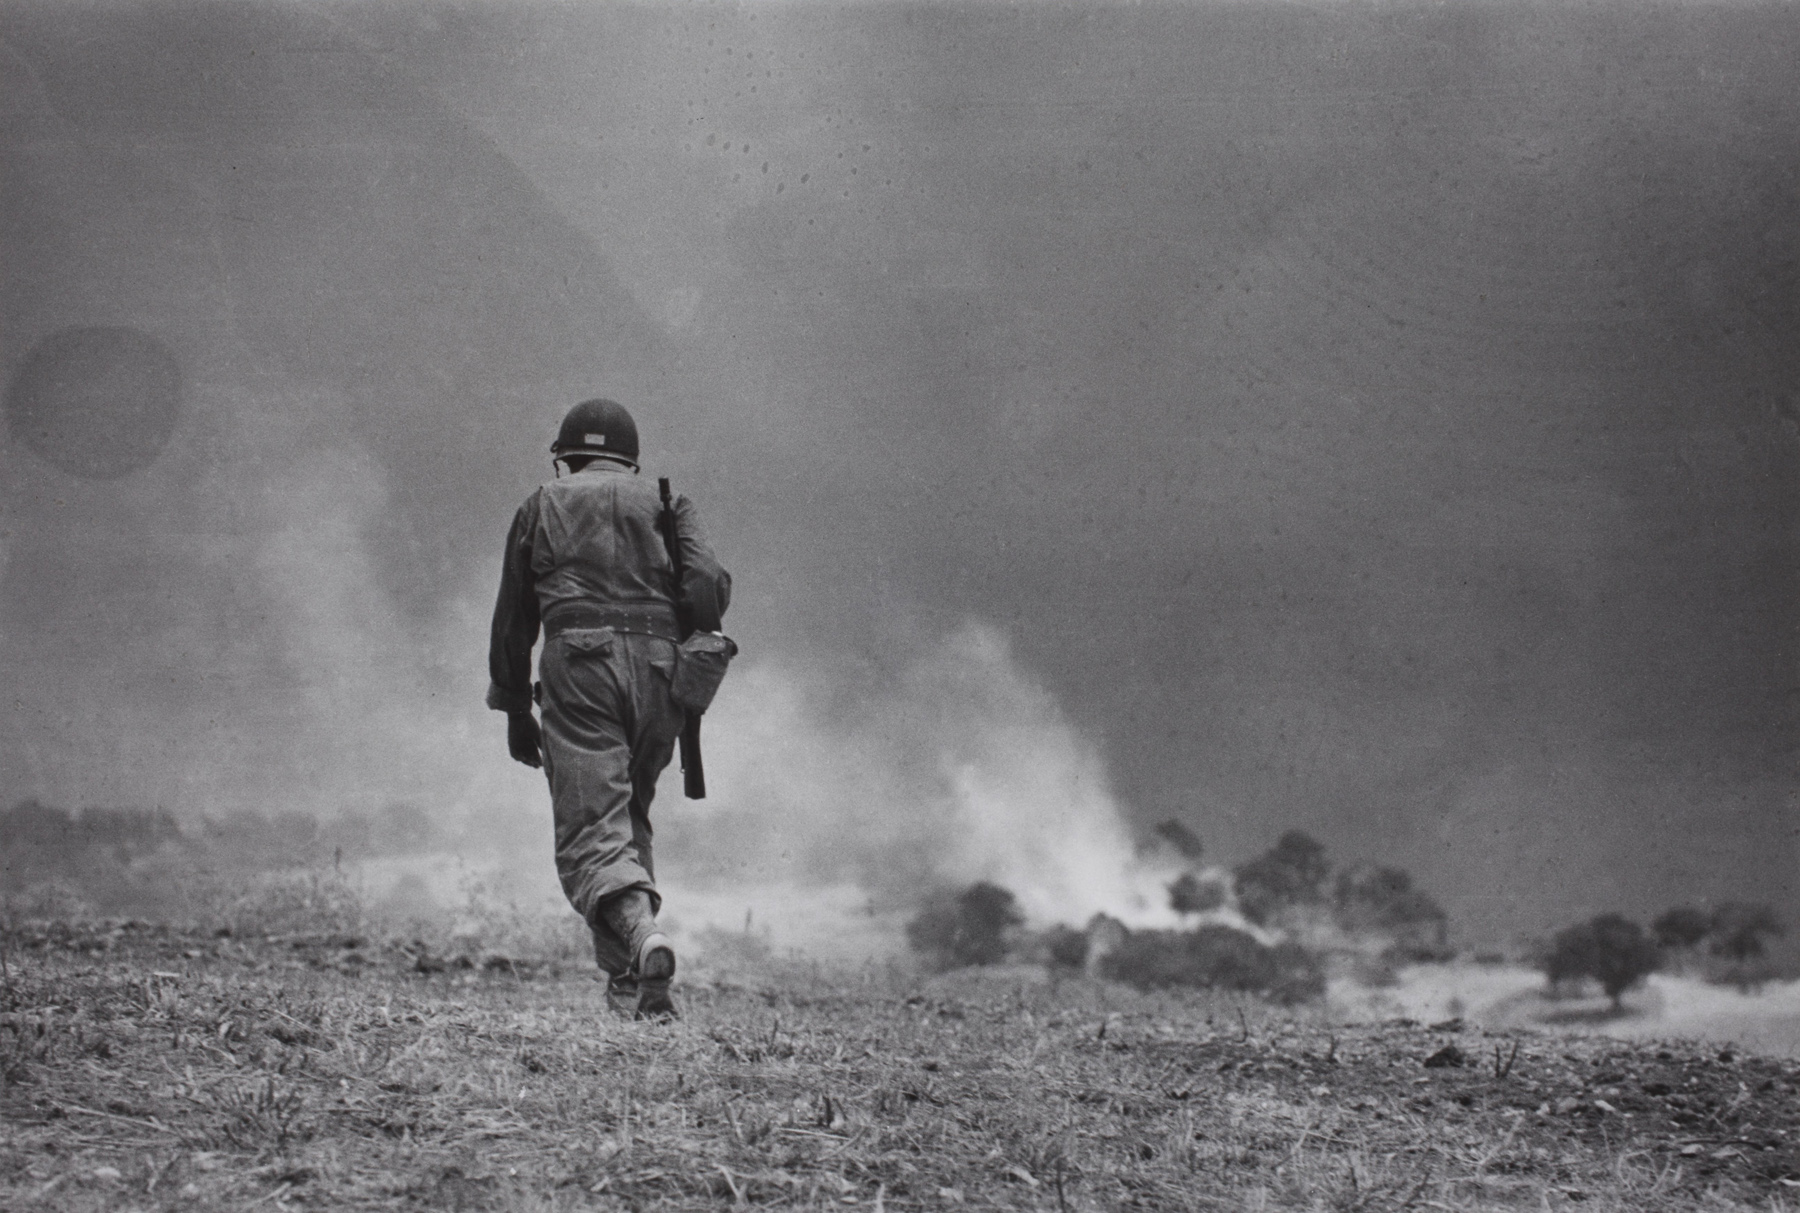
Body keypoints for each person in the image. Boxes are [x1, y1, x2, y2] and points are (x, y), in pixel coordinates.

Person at [487, 398, 731, 1018]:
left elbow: (514, 618)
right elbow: (706, 583)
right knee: (627, 821)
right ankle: (632, 991)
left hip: (581, 668)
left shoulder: (541, 504)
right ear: (630, 458)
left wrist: (514, 707)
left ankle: (644, 937)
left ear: (566, 457)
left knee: (592, 831)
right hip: (660, 673)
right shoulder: (669, 503)